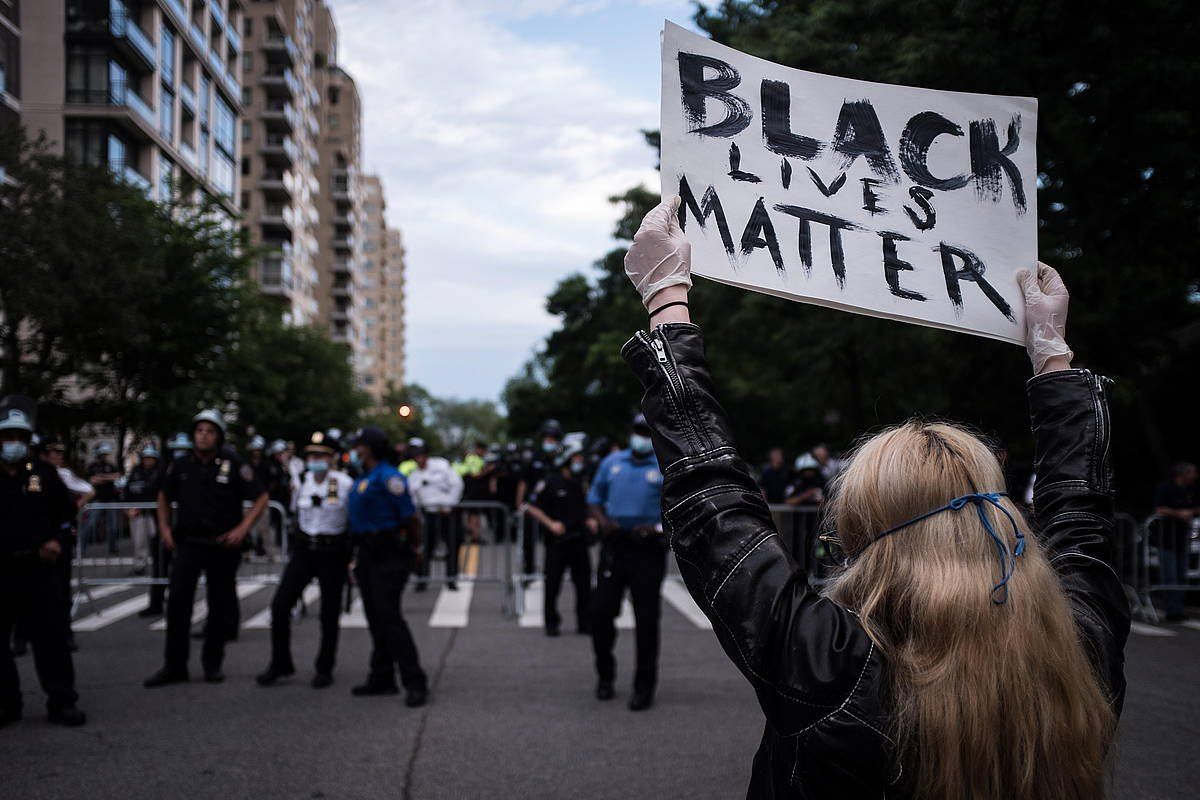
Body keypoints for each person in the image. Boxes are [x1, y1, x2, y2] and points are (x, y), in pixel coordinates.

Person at [620, 198, 1128, 797]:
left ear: (865, 535)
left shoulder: (836, 669)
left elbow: (714, 502)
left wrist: (666, 301)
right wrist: (1052, 354)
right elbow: (1081, 514)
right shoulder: (1077, 655)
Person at [144, 410, 268, 687]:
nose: (203, 435)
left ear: (219, 436)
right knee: (178, 605)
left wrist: (242, 529)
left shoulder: (233, 463)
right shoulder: (181, 464)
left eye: (210, 431)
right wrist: (164, 528)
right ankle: (174, 666)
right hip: (189, 543)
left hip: (222, 544)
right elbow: (163, 495)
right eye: (199, 430)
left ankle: (212, 664)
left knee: (219, 604)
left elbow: (261, 497)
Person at [0, 398, 87, 727]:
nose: (14, 444)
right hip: (2, 569)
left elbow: (67, 514)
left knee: (50, 639)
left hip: (38, 569)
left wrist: (56, 541)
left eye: (20, 438)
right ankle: (7, 704)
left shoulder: (43, 473)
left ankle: (62, 701)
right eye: (8, 437)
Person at [257, 433, 355, 688]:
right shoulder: (302, 481)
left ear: (332, 458)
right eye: (312, 456)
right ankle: (281, 663)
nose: (316, 460)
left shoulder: (344, 483)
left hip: (332, 551)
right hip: (305, 551)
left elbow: (352, 520)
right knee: (280, 605)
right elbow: (295, 514)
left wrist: (351, 556)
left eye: (321, 455)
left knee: (329, 613)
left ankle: (325, 667)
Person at [587, 413, 666, 711]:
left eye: (646, 431)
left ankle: (643, 687)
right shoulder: (612, 463)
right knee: (600, 613)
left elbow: (675, 508)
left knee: (646, 620)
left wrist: (656, 528)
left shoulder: (663, 465)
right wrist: (602, 520)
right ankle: (605, 676)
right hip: (615, 545)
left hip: (647, 549)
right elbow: (594, 499)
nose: (641, 436)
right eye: (637, 430)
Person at [346, 426, 428, 706]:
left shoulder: (390, 478)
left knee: (389, 616)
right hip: (367, 553)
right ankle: (382, 678)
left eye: (359, 446)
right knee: (375, 617)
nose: (355, 451)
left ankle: (415, 681)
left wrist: (416, 549)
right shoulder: (364, 477)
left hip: (390, 553)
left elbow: (411, 518)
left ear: (370, 448)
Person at [523, 441, 595, 636]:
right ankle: (551, 623)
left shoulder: (582, 482)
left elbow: (589, 504)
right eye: (577, 458)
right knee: (552, 585)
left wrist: (590, 519)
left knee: (584, 585)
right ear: (566, 460)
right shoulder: (549, 482)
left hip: (579, 540)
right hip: (557, 542)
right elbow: (530, 506)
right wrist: (550, 524)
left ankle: (584, 622)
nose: (580, 462)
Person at [40, 439, 94, 654]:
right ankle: (23, 636)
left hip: (57, 540)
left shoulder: (62, 475)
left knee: (61, 590)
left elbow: (85, 492)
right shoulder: (27, 473)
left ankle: (64, 635)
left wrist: (74, 509)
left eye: (61, 452)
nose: (59, 456)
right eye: (54, 452)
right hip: (32, 543)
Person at [408, 438, 465, 591]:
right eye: (415, 454)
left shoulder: (441, 465)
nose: (418, 457)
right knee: (426, 548)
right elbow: (413, 498)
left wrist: (449, 504)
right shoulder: (413, 476)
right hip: (428, 515)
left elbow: (456, 484)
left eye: (420, 453)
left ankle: (451, 579)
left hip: (447, 513)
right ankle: (423, 579)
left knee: (453, 546)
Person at [1152, 462, 1198, 622]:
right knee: (1169, 576)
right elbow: (1158, 509)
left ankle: (1179, 608)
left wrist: (1189, 512)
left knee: (1181, 575)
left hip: (1181, 540)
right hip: (1166, 540)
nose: (1195, 476)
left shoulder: (1191, 490)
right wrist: (1178, 514)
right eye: (1192, 472)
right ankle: (1171, 609)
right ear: (1183, 474)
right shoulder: (1166, 488)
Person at [122, 445, 162, 575]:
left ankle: (162, 565)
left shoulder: (159, 472)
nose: (148, 461)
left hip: (155, 514)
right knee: (139, 542)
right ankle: (140, 566)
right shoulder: (136, 471)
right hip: (138, 514)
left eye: (151, 458)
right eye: (146, 458)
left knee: (159, 541)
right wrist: (128, 509)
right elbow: (128, 491)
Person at [84, 442, 122, 555]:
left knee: (113, 526)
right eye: (103, 454)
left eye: (105, 454)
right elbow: (92, 480)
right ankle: (82, 548)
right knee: (90, 524)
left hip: (111, 499)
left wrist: (103, 477)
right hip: (97, 499)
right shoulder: (92, 466)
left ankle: (113, 548)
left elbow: (117, 476)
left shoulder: (111, 465)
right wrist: (108, 477)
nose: (105, 456)